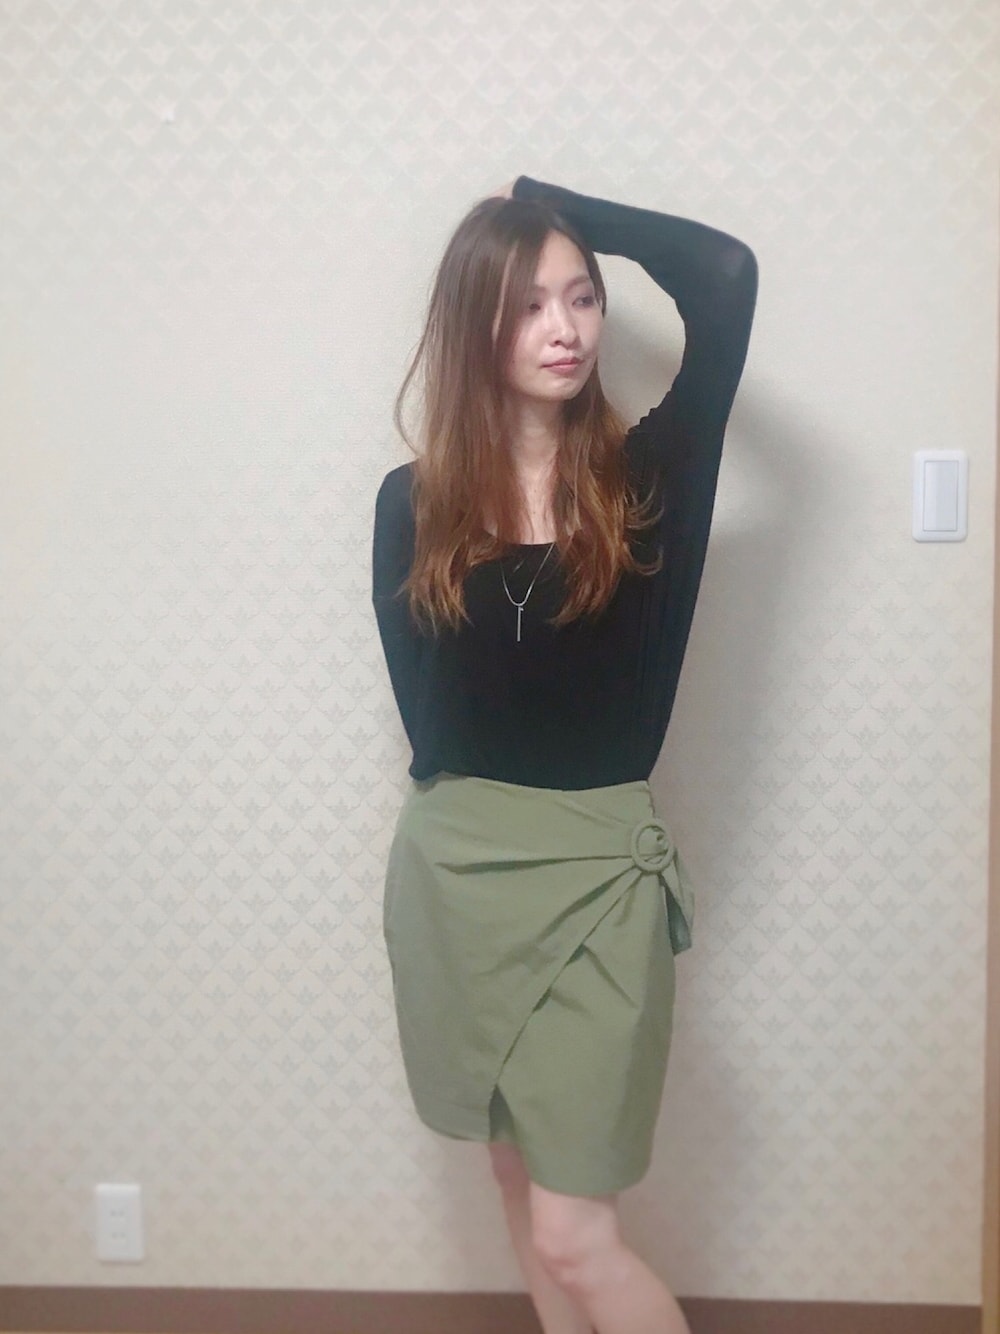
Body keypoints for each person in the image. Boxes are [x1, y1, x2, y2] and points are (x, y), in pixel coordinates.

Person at [372, 175, 757, 1334]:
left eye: (581, 296)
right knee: (511, 1179)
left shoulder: (649, 480)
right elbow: (429, 717)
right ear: (473, 323)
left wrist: (553, 203)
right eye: (528, 302)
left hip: (598, 878)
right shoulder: (410, 503)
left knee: (573, 1232)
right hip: (455, 874)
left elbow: (725, 278)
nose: (565, 327)